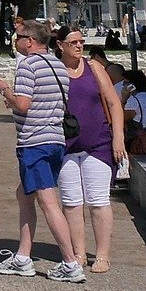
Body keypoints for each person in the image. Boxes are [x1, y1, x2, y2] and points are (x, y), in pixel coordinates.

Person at [0, 19, 86, 283]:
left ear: (30, 41)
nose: (16, 40)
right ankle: (23, 256)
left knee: (47, 201)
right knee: (24, 194)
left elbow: (22, 104)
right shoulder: (58, 65)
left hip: (34, 142)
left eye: (18, 36)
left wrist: (5, 91)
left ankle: (70, 263)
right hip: (55, 140)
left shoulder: (27, 66)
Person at [54, 24, 125, 273]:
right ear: (60, 45)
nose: (78, 45)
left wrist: (118, 138)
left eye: (80, 41)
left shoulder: (94, 68)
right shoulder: (54, 70)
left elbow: (114, 104)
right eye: (73, 42)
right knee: (71, 202)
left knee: (98, 200)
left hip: (99, 143)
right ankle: (79, 253)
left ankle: (103, 255)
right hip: (66, 144)